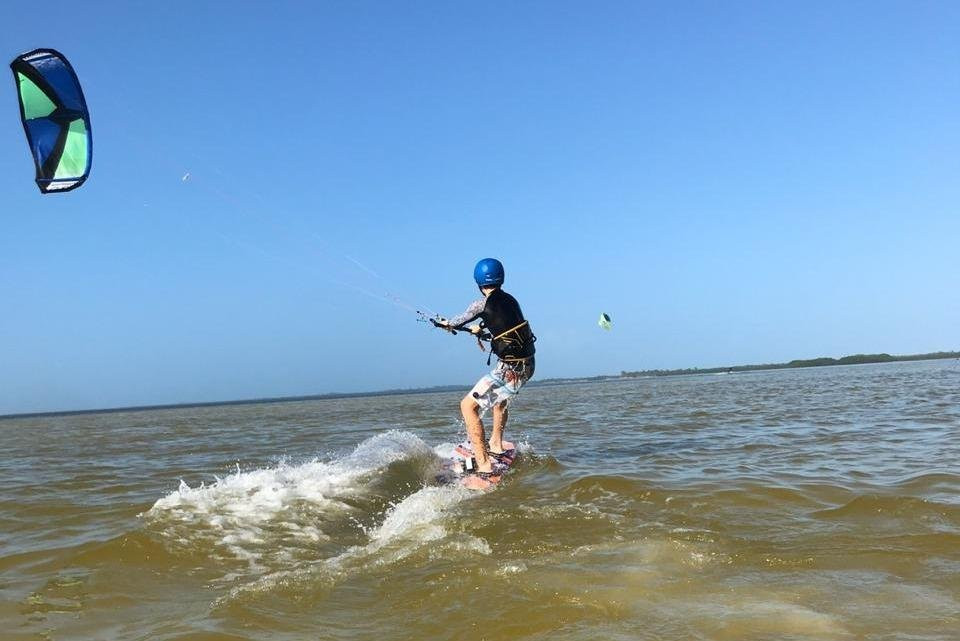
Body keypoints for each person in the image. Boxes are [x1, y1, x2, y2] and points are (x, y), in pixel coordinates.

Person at [434, 258, 536, 476]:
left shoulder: (479, 304)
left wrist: (444, 323)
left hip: (508, 368)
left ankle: (483, 463)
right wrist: (481, 332)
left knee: (468, 407)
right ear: (502, 278)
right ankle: (496, 444)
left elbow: (455, 322)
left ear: (478, 282)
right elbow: (506, 331)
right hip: (527, 365)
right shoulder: (511, 300)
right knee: (500, 401)